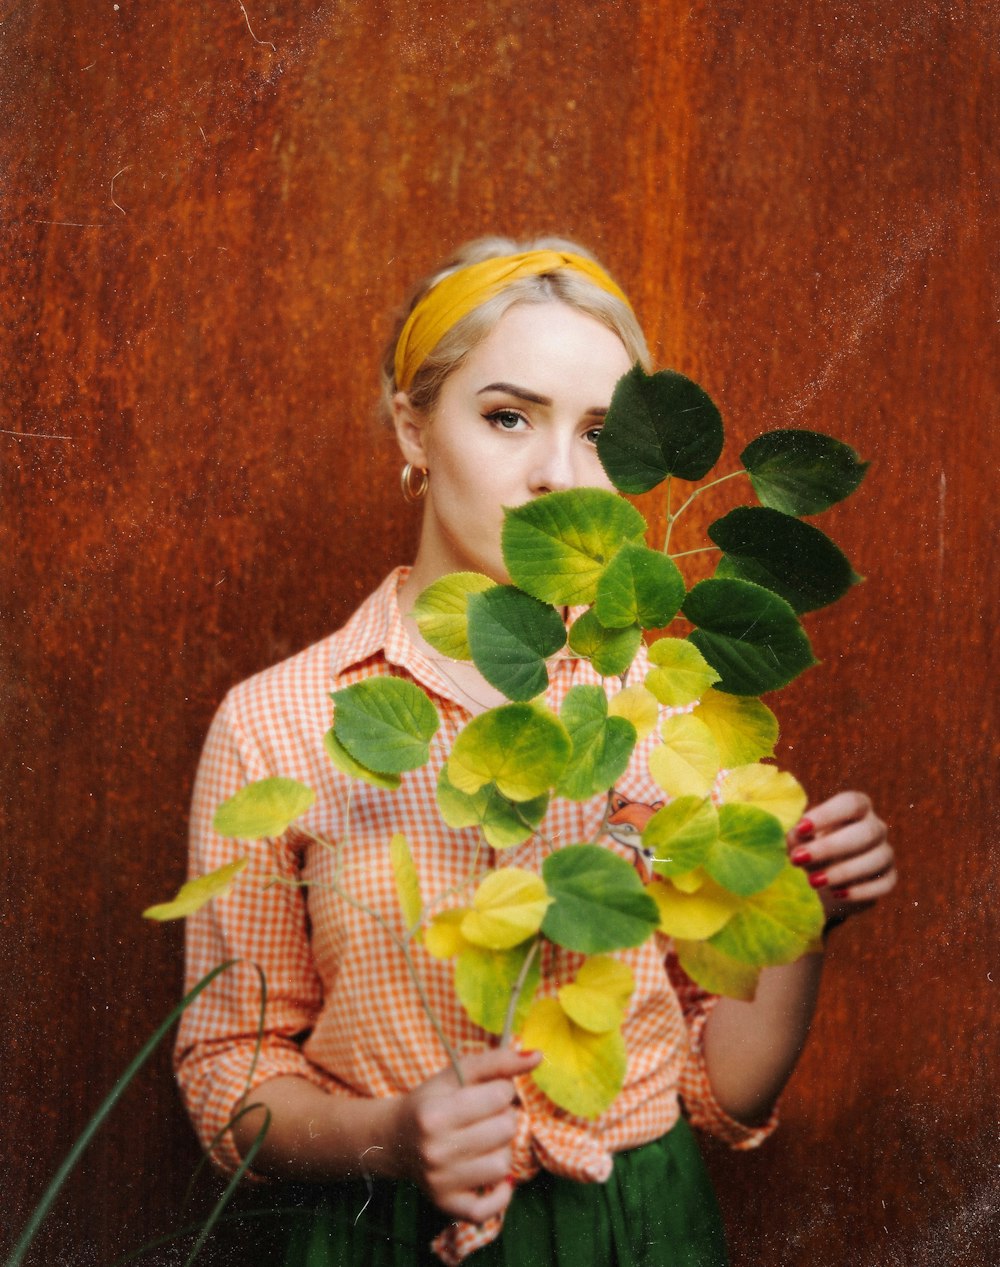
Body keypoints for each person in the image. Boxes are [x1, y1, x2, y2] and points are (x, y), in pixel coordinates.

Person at [175, 237, 897, 1267]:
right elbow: (228, 1070)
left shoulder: (667, 710)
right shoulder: (279, 722)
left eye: (602, 435)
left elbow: (719, 1090)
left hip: (636, 1225)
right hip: (379, 1234)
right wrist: (390, 1137)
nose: (558, 474)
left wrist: (800, 916)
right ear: (412, 425)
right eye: (506, 416)